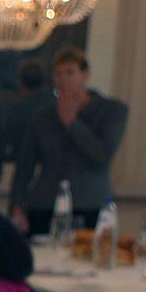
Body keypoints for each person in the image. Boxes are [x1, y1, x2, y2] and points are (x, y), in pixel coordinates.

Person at [10, 46, 129, 235]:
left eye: (70, 73)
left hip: (89, 203)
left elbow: (102, 156)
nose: (63, 80)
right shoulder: (43, 116)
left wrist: (72, 123)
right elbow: (25, 164)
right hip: (45, 203)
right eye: (57, 74)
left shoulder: (111, 111)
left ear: (85, 75)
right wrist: (17, 205)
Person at [0, 57, 47, 168]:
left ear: (20, 81)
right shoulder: (53, 107)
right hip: (47, 166)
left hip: (19, 164)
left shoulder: (15, 108)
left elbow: (5, 138)